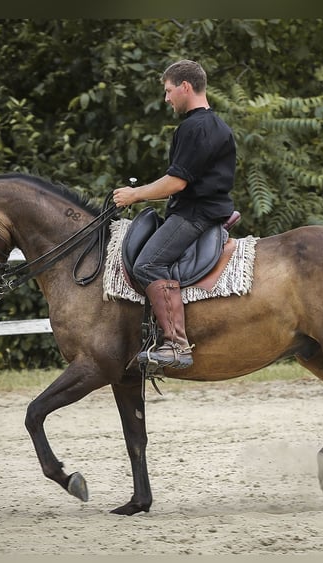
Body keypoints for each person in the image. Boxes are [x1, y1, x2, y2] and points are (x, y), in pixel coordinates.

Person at [112, 59, 236, 369]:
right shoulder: (217, 125)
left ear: (185, 87)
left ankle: (176, 344)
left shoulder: (194, 127)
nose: (167, 99)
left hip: (195, 215)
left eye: (169, 91)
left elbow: (177, 182)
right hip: (206, 210)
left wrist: (135, 194)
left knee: (149, 263)